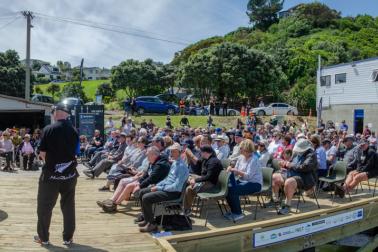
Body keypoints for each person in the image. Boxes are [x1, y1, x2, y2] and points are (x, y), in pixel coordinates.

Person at [34, 103, 79, 246]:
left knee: (44, 207)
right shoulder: (74, 130)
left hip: (50, 177)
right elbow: (76, 153)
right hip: (70, 176)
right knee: (68, 207)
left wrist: (52, 163)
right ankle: (68, 237)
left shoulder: (48, 129)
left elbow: (42, 153)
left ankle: (44, 238)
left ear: (56, 113)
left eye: (53, 112)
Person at [138, 143, 189, 232]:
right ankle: (147, 219)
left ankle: (152, 224)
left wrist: (159, 188)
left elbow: (176, 187)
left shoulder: (181, 167)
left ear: (180, 152)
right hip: (167, 189)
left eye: (174, 151)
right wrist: (158, 185)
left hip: (174, 193)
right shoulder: (175, 163)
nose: (171, 153)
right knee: (142, 192)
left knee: (146, 198)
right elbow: (167, 179)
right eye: (171, 151)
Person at [271, 139, 318, 215]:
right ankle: (276, 201)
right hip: (292, 174)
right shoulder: (297, 153)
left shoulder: (311, 155)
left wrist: (290, 165)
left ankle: (287, 205)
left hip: (304, 178)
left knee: (289, 182)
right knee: (275, 177)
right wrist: (285, 164)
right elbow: (292, 163)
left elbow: (305, 167)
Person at [224, 139, 262, 221]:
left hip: (255, 184)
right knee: (227, 187)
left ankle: (238, 213)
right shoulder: (241, 157)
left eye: (241, 148)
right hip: (243, 181)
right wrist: (230, 170)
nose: (240, 149)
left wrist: (236, 171)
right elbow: (236, 173)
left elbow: (248, 177)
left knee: (233, 190)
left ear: (246, 149)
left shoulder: (254, 160)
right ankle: (234, 211)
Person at [183, 145, 223, 215]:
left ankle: (187, 210)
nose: (200, 153)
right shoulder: (206, 159)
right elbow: (198, 162)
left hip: (211, 183)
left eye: (201, 152)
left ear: (206, 153)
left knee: (189, 189)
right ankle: (182, 203)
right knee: (185, 177)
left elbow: (208, 177)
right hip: (204, 179)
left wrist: (195, 180)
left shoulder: (213, 162)